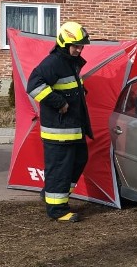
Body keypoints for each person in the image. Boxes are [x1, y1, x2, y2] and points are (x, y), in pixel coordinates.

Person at [27, 21, 93, 222]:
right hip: (59, 130)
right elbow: (34, 85)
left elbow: (68, 86)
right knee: (60, 168)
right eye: (76, 46)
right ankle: (57, 210)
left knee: (79, 160)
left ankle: (53, 192)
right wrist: (59, 102)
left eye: (81, 46)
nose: (79, 49)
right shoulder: (54, 62)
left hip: (73, 128)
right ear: (64, 44)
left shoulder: (69, 62)